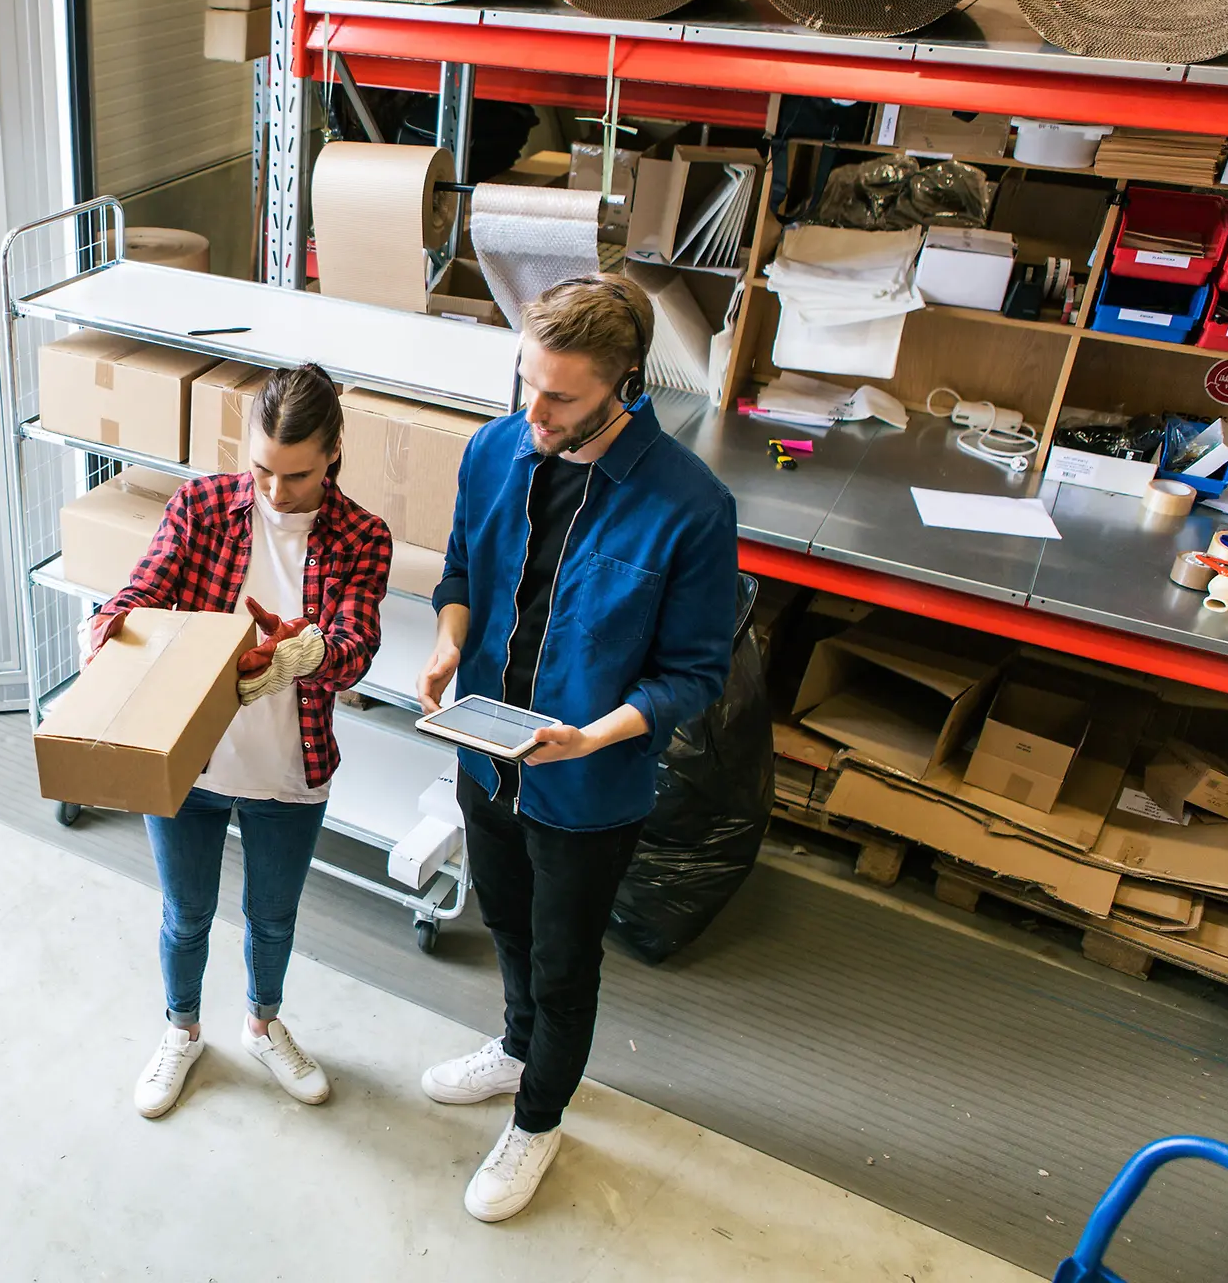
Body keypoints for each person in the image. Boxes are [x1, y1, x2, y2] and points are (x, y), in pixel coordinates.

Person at [415, 274, 739, 1222]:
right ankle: (516, 1049)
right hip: (486, 754)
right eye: (527, 384)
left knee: (563, 961)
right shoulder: (494, 449)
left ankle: (539, 1119)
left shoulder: (691, 507)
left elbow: (692, 674)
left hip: (589, 785)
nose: (534, 413)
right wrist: (445, 645)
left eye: (559, 397)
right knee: (505, 926)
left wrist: (591, 737)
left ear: (624, 384)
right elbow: (464, 569)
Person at [83, 364, 391, 1120]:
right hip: (191, 761)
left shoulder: (362, 537)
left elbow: (357, 641)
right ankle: (181, 1030)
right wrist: (111, 624)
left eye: (296, 474)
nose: (275, 492)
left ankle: (262, 1024)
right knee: (185, 914)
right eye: (261, 469)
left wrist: (305, 653)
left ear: (334, 454)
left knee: (273, 918)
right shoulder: (204, 506)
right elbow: (145, 585)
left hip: (291, 769)